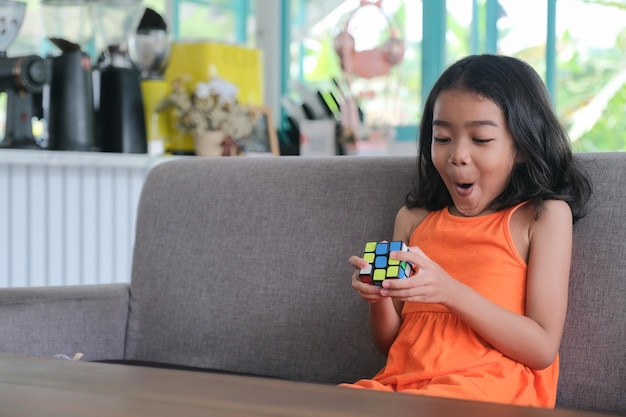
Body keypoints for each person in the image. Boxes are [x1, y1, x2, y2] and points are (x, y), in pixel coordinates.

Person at [343, 54, 592, 408]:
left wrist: (448, 290)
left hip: (489, 390)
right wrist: (378, 299)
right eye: (442, 138)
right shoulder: (413, 219)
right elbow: (389, 343)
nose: (457, 155)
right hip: (403, 387)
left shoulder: (542, 216)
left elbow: (541, 349)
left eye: (481, 139)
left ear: (522, 146)